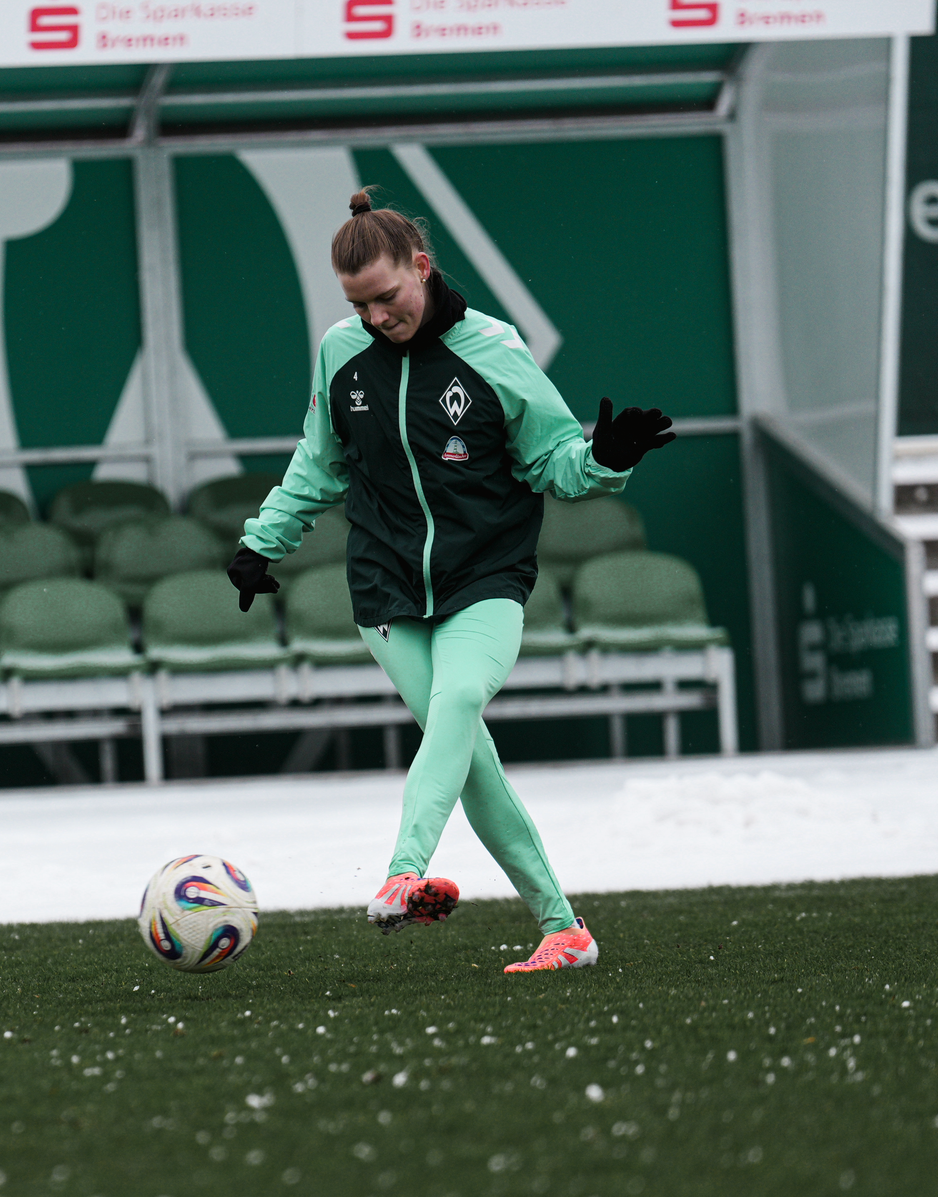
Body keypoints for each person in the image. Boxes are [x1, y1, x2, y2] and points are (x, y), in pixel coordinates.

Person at [226, 189, 674, 973]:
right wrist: (262, 543)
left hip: (486, 576)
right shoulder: (340, 352)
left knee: (458, 704)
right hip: (384, 587)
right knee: (467, 754)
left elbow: (555, 465)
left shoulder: (495, 349)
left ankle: (403, 871)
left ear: (422, 269)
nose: (374, 318)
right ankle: (564, 930)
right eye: (358, 305)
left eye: (386, 298)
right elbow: (320, 460)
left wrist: (608, 456)